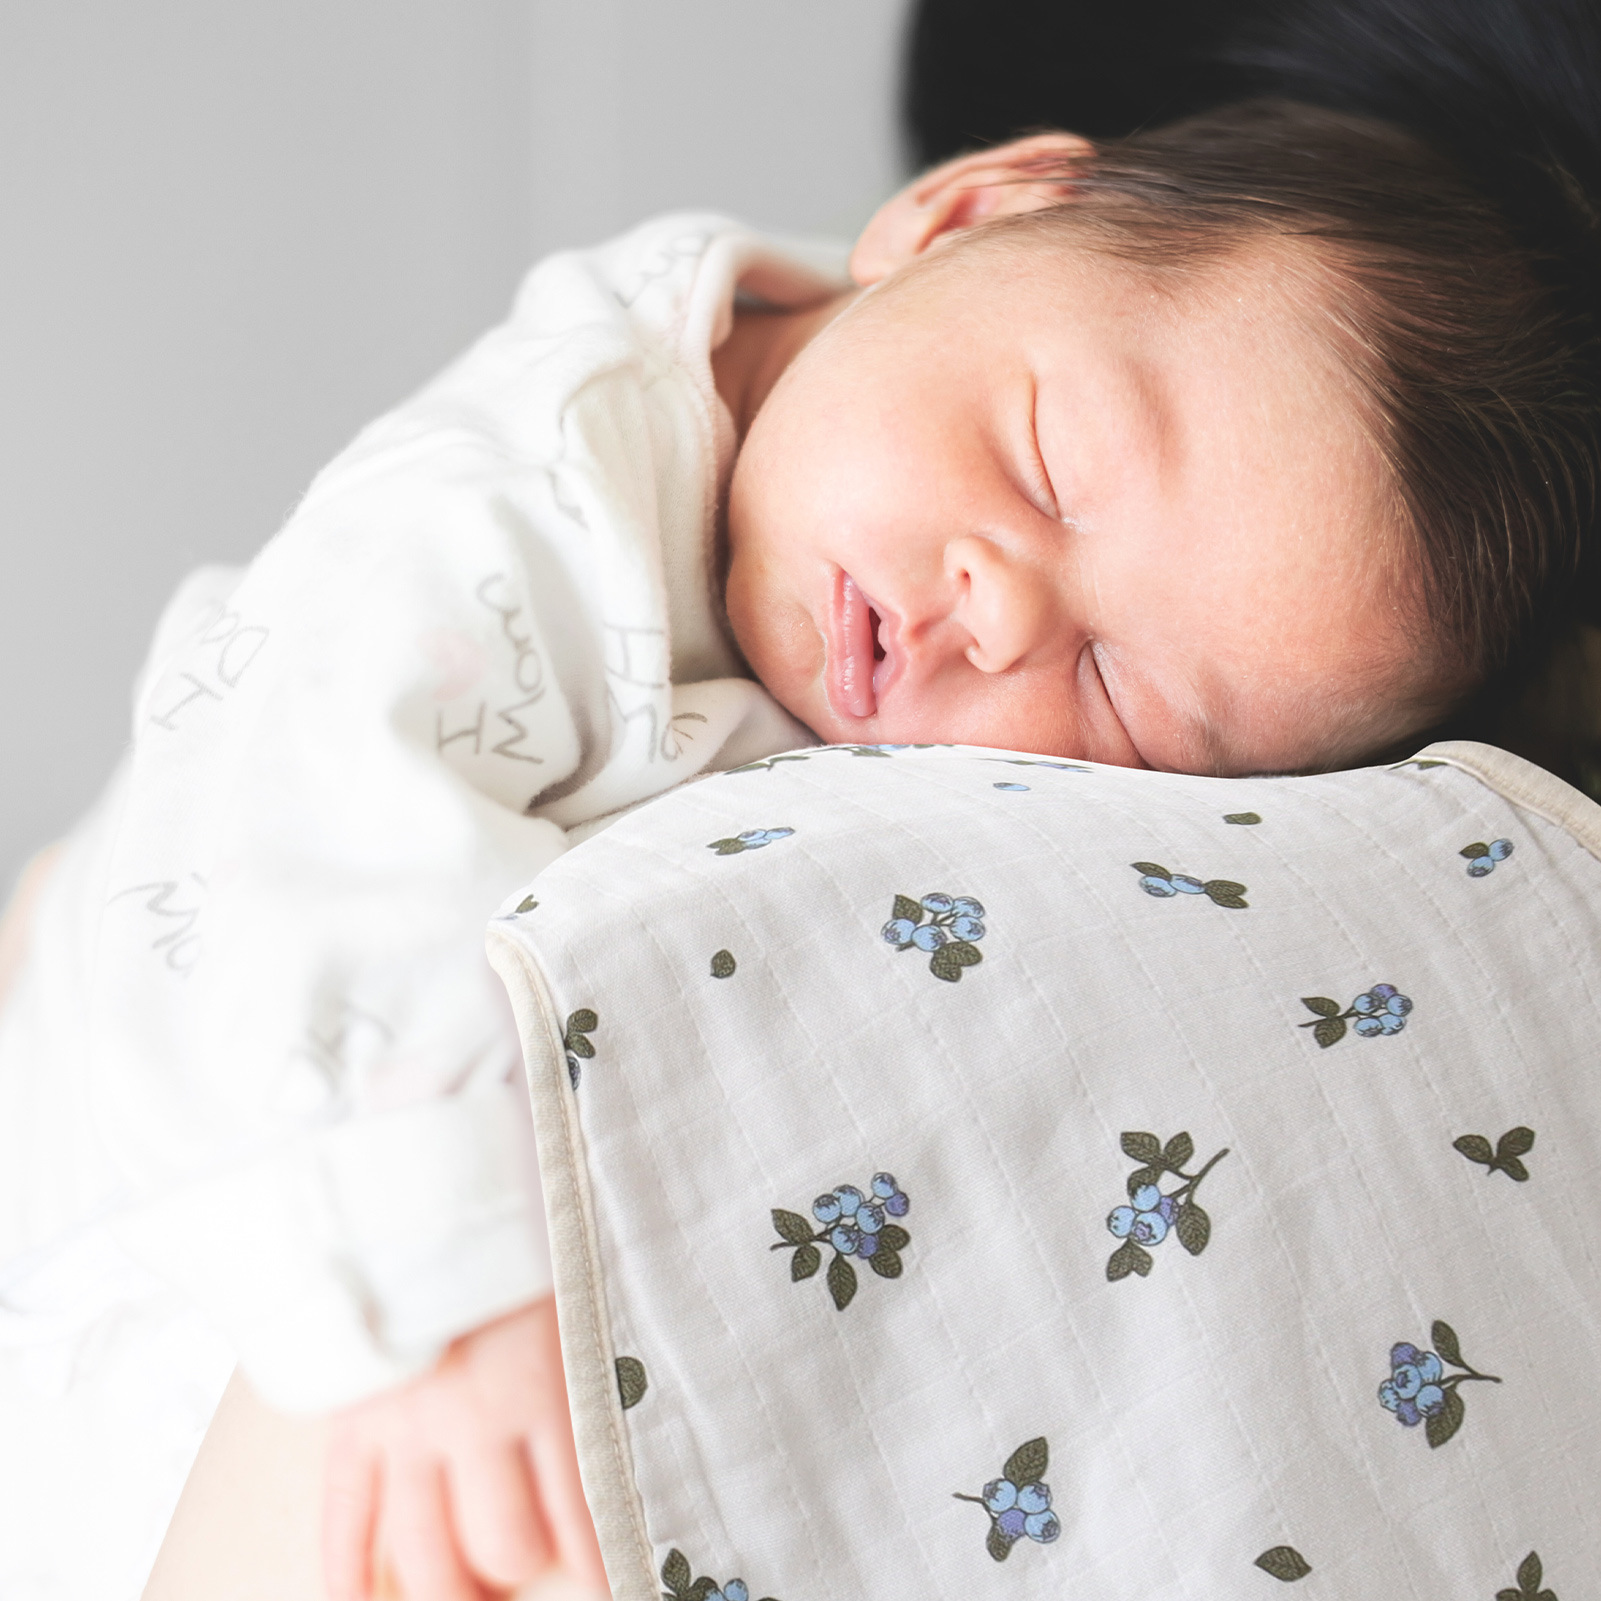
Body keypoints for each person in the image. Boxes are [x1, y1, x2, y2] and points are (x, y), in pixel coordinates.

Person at [4, 25, 1600, 1601]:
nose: (1001, 612)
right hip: (177, 1178)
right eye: (1045, 465)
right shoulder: (529, 490)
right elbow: (298, 818)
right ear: (960, 213)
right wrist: (448, 1299)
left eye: (1124, 696)